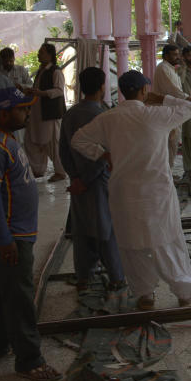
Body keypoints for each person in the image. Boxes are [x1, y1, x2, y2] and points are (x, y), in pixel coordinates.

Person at [71, 71, 191, 310]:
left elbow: (78, 139)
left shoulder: (109, 118)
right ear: (143, 91)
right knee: (166, 242)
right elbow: (190, 108)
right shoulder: (154, 115)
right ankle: (184, 293)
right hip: (156, 192)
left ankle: (145, 295)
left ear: (121, 91)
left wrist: (102, 154)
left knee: (132, 245)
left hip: (123, 193)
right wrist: (161, 99)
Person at [0, 87, 61, 381]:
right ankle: (29, 360)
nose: (26, 113)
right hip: (8, 238)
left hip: (12, 235)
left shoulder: (4, 139)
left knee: (1, 295)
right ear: (4, 112)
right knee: (21, 299)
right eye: (22, 109)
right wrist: (4, 239)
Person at [58, 67, 124, 291]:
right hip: (97, 180)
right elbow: (105, 154)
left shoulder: (71, 113)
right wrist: (85, 179)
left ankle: (84, 276)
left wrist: (75, 177)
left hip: (78, 182)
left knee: (82, 229)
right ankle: (116, 276)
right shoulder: (101, 116)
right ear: (102, 87)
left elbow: (63, 151)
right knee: (106, 230)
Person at [23, 43, 66, 181]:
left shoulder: (56, 71)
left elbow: (59, 91)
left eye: (41, 52)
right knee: (32, 141)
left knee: (53, 143)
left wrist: (41, 93)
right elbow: (37, 89)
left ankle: (60, 171)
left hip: (50, 114)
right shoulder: (42, 70)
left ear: (49, 55)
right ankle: (38, 169)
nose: (38, 55)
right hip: (37, 113)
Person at [153, 44, 190, 169]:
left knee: (172, 144)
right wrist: (189, 99)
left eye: (178, 54)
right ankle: (166, 173)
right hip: (166, 112)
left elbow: (179, 85)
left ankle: (168, 172)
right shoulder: (163, 68)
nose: (177, 57)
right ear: (166, 55)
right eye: (174, 54)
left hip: (172, 111)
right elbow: (174, 90)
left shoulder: (170, 68)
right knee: (168, 144)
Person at [177, 46, 191, 185]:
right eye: (189, 56)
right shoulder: (180, 71)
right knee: (187, 140)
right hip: (187, 110)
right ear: (184, 57)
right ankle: (187, 170)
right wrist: (183, 68)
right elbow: (180, 84)